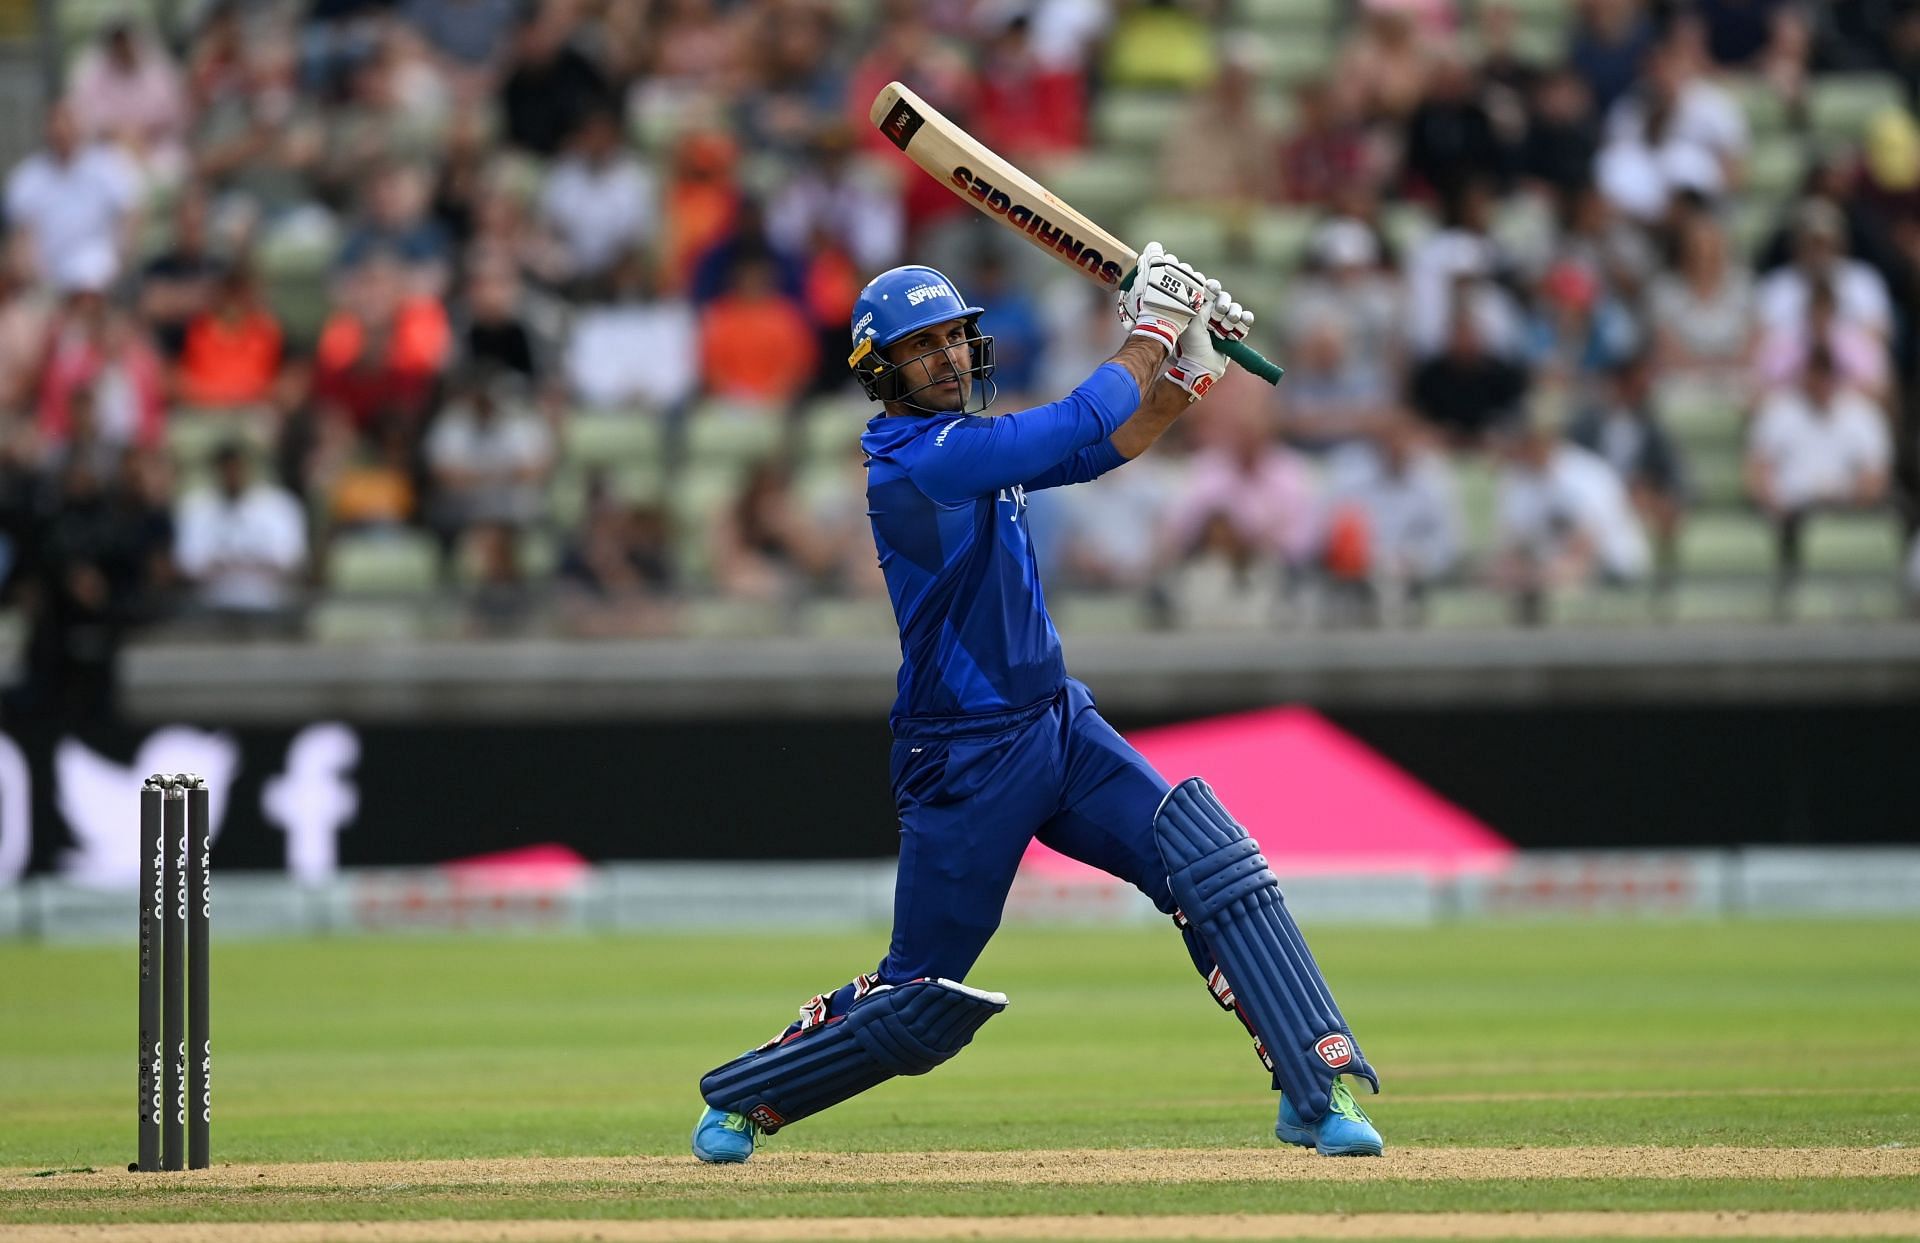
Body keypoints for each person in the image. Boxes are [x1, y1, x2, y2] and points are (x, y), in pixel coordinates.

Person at [689, 250, 1384, 1163]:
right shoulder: (916, 462)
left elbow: (1104, 446)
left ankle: (1314, 1090)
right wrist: (1147, 330)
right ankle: (748, 1097)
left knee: (1206, 865)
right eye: (919, 347)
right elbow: (1071, 420)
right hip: (965, 759)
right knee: (923, 987)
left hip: (1059, 722)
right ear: (878, 372)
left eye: (951, 338)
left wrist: (1184, 371)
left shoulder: (971, 452)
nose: (943, 358)